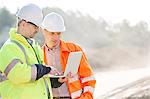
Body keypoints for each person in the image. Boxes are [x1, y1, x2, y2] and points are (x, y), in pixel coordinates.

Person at [0, 4, 63, 99]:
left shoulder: (35, 47)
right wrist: (45, 69)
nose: (37, 30)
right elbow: (17, 74)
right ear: (23, 23)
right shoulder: (9, 47)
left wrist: (55, 81)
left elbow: (37, 77)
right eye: (35, 26)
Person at [42, 12, 96, 99]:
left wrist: (86, 97)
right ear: (43, 31)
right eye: (52, 33)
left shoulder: (74, 50)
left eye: (58, 33)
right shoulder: (39, 54)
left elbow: (89, 78)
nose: (56, 38)